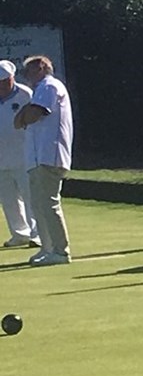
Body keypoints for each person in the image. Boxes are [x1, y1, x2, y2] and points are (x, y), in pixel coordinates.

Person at [13, 55, 73, 266]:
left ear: (40, 68)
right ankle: (47, 249)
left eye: (28, 71)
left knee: (49, 204)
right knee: (38, 205)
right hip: (37, 157)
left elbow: (32, 116)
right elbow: (18, 122)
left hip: (50, 154)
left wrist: (25, 114)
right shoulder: (40, 90)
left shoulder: (49, 86)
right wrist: (24, 114)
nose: (26, 77)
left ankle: (61, 251)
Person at [0, 61, 38, 250]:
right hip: (1, 158)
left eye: (4, 80)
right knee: (8, 200)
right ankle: (19, 233)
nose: (1, 84)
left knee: (31, 196)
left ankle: (37, 234)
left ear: (12, 78)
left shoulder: (26, 94)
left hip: (24, 155)